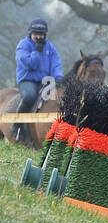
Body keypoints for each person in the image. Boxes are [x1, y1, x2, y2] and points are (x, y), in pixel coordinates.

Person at [12, 18, 62, 146]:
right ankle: (17, 127)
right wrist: (37, 51)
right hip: (28, 79)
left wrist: (58, 76)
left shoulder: (50, 47)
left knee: (57, 99)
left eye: (41, 35)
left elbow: (56, 63)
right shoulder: (23, 45)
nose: (38, 37)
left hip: (45, 81)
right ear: (31, 34)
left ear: (45, 35)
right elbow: (30, 65)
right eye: (36, 34)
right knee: (30, 96)